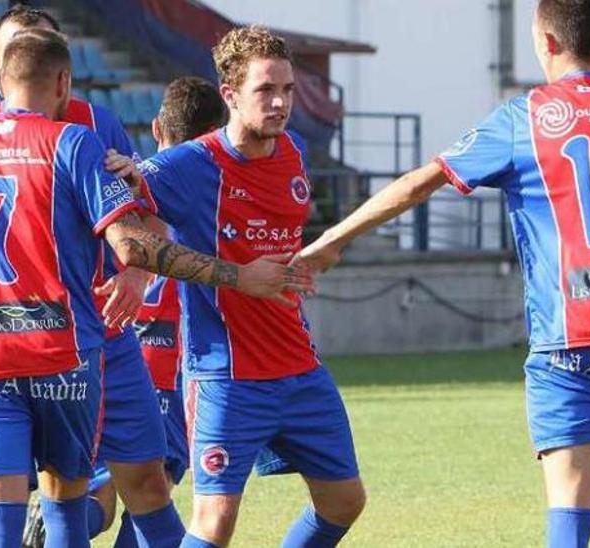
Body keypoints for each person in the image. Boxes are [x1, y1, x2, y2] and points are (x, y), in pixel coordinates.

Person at [293, 1, 590, 546]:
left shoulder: (522, 117)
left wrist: (329, 241)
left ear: (546, 43)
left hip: (569, 338)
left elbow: (418, 183)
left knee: (570, 508)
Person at [0, 29, 304, 548]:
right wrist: (237, 275)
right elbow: (133, 240)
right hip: (66, 349)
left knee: (8, 508)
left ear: (2, 69)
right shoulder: (74, 141)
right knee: (67, 499)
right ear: (62, 79)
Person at [0, 6, 185, 545]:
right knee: (57, 492)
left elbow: (151, 209)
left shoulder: (97, 125)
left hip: (104, 339)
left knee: (145, 483)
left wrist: (138, 279)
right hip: (55, 345)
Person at [120, 26, 366, 548]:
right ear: (230, 95)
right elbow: (124, 216)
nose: (280, 103)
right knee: (214, 524)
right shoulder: (189, 165)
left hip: (299, 367)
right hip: (225, 376)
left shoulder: (295, 152)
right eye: (265, 91)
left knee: (345, 500)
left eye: (288, 89)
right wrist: (235, 276)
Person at [91, 76, 226, 548]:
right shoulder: (210, 188)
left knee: (99, 491)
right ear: (216, 136)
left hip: (109, 351)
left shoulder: (117, 180)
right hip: (170, 366)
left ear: (155, 127)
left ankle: (60, 522)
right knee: (154, 491)